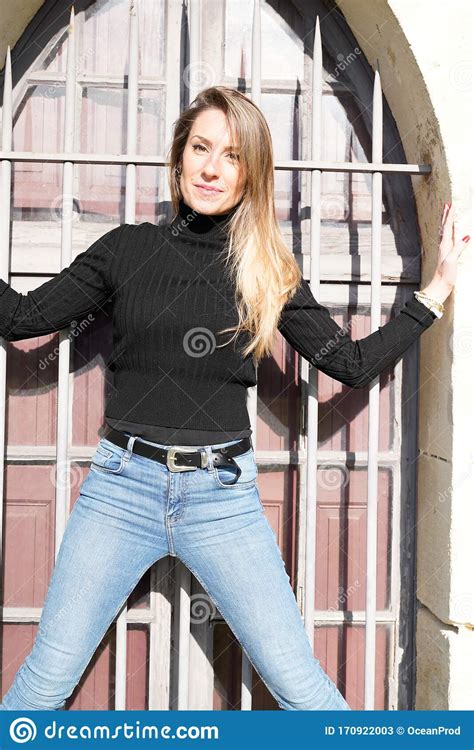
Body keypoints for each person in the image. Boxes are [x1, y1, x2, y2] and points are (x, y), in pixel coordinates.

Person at [0, 86, 468, 712]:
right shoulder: (126, 250)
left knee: (302, 688)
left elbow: (348, 365)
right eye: (201, 148)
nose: (212, 167)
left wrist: (434, 292)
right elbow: (25, 319)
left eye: (231, 155)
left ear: (251, 174)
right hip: (121, 490)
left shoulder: (265, 267)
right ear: (180, 157)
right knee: (42, 684)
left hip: (222, 498)